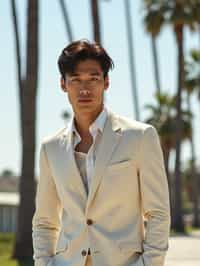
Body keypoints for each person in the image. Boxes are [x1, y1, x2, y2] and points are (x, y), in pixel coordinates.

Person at [32, 39, 171, 266]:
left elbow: (158, 213)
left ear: (106, 82)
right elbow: (45, 221)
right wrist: (44, 262)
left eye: (93, 79)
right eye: (75, 80)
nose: (84, 89)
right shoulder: (51, 148)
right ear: (63, 84)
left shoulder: (140, 137)